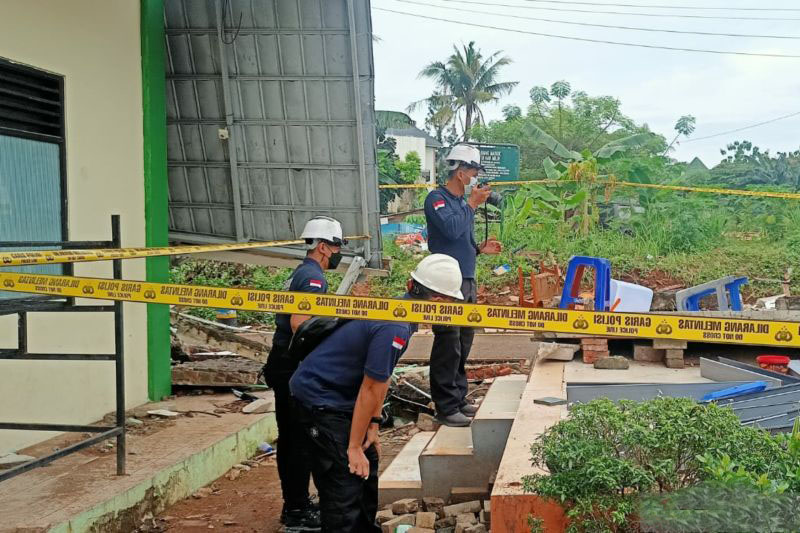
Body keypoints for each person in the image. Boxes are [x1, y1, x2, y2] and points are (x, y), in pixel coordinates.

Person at [289, 254, 464, 532]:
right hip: (321, 398)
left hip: (342, 394)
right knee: (343, 482)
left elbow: (375, 384)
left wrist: (372, 426)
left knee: (366, 469)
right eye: (451, 304)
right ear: (438, 303)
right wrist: (353, 446)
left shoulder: (402, 313)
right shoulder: (394, 325)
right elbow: (372, 387)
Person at [262, 215, 346, 532]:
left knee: (294, 438)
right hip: (290, 363)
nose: (338, 252)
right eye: (336, 246)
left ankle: (296, 503)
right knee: (298, 440)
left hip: (283, 361)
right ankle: (296, 510)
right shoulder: (312, 277)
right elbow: (301, 322)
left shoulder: (301, 273)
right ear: (323, 247)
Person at [423, 144, 503, 427]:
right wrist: (472, 204)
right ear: (459, 172)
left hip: (466, 279)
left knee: (463, 341)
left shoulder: (460, 204)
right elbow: (451, 230)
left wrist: (480, 250)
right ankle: (445, 407)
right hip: (444, 286)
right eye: (472, 171)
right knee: (447, 342)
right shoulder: (437, 199)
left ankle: (458, 398)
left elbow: (459, 240)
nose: (474, 177)